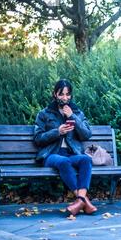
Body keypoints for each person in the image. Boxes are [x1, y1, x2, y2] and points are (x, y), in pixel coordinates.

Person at [34, 79, 97, 216]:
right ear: (55, 94)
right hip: (51, 155)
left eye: (68, 94)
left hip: (71, 153)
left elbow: (87, 134)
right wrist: (57, 132)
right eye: (61, 94)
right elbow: (38, 138)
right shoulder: (44, 114)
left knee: (86, 160)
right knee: (63, 161)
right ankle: (85, 201)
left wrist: (72, 116)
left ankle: (80, 201)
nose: (65, 98)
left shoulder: (77, 113)